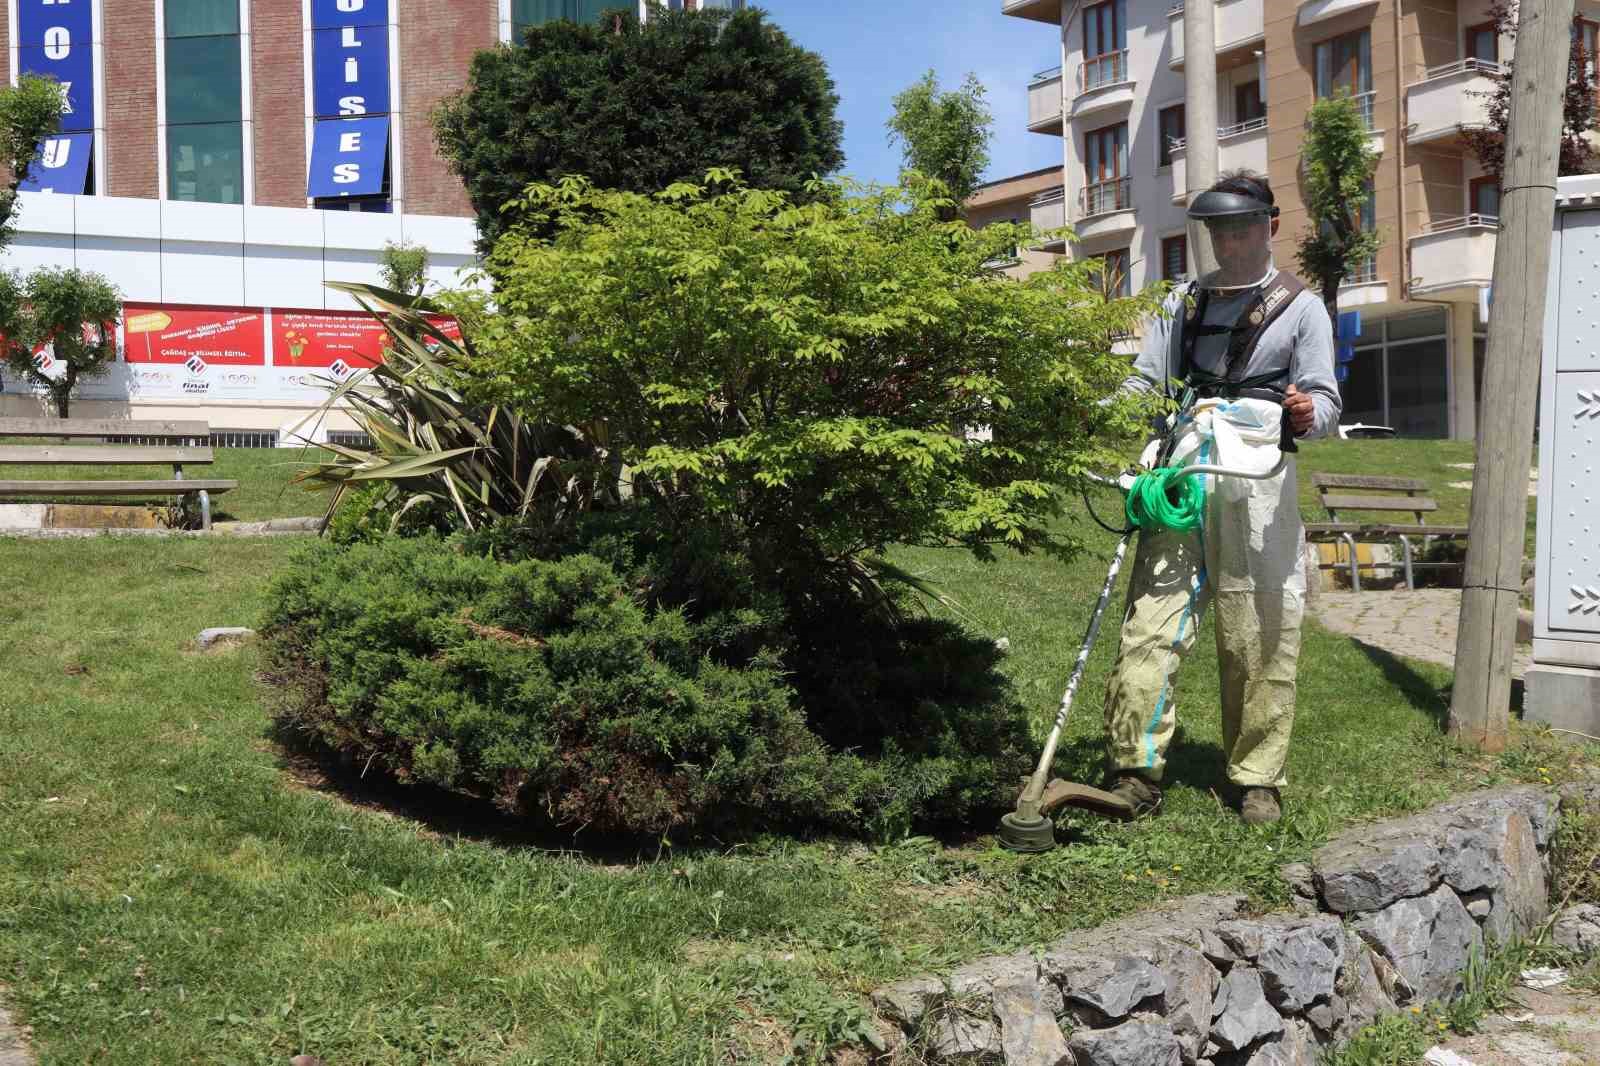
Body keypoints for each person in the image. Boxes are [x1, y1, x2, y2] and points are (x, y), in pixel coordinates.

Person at [1100, 170, 1341, 825]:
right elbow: (1145, 386)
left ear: (1269, 226)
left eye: (1241, 227)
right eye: (1217, 230)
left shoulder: (1303, 307)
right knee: (1149, 621)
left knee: (1259, 628)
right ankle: (1134, 770)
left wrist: (1303, 413)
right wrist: (1090, 416)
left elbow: (1325, 401)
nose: (1229, 241)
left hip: (1257, 480)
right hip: (1181, 470)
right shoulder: (1179, 303)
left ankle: (1257, 778)